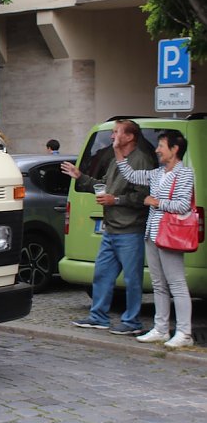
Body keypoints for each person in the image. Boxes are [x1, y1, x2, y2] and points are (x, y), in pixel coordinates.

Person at [61, 119, 153, 335]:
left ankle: (132, 322)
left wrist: (115, 200)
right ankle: (98, 317)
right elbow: (103, 185)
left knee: (132, 279)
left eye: (116, 132)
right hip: (111, 229)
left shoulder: (141, 160)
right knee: (102, 274)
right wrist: (80, 177)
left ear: (129, 137)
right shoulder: (115, 160)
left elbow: (142, 196)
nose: (112, 136)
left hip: (130, 229)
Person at [114, 131, 195, 348]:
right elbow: (131, 175)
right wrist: (118, 150)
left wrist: (156, 202)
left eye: (161, 146)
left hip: (171, 235)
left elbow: (183, 205)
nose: (157, 150)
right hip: (152, 233)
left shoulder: (185, 173)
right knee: (158, 284)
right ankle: (161, 329)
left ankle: (184, 333)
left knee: (176, 283)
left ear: (174, 149)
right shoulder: (158, 173)